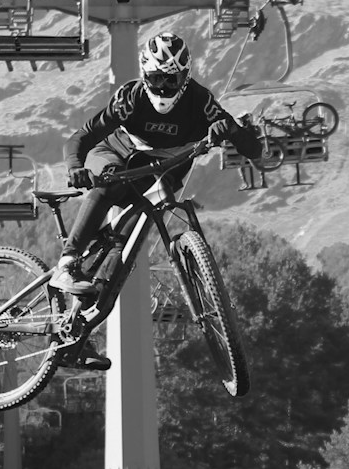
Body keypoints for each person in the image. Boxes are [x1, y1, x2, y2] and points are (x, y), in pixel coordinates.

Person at [47, 32, 261, 366]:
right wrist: (75, 167)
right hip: (118, 157)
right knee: (106, 186)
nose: (162, 88)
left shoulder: (200, 101)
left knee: (124, 249)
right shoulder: (130, 98)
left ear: (184, 78)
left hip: (160, 174)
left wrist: (230, 129)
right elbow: (83, 136)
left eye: (170, 79)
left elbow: (254, 149)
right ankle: (68, 262)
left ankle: (76, 333)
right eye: (155, 79)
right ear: (145, 74)